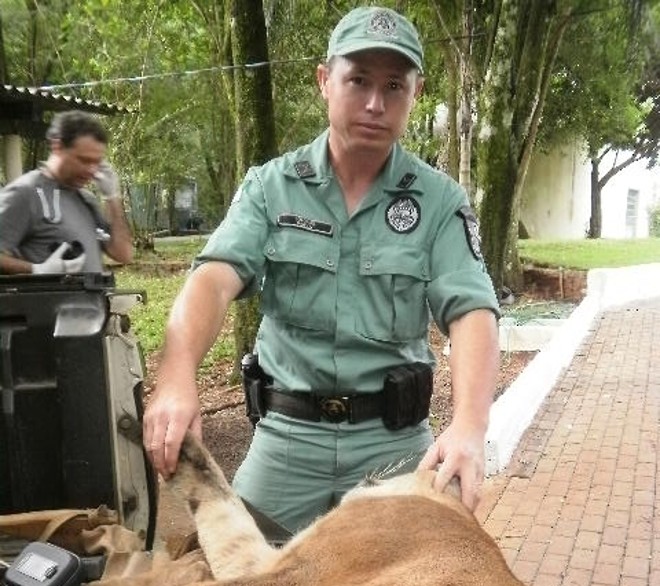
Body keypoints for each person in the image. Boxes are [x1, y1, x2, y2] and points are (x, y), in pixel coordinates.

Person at [144, 5, 500, 534]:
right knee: (239, 570)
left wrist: (470, 425)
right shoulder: (271, 187)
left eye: (394, 86)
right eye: (358, 80)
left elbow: (471, 310)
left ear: (416, 93)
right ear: (324, 81)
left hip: (394, 444)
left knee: (413, 577)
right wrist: (176, 377)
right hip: (287, 439)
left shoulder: (439, 201)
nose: (375, 103)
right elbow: (213, 280)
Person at [0, 110, 133, 275]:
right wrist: (36, 270)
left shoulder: (86, 200)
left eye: (96, 162)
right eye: (84, 160)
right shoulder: (26, 193)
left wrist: (112, 197)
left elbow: (123, 254)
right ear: (58, 147)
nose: (91, 170)